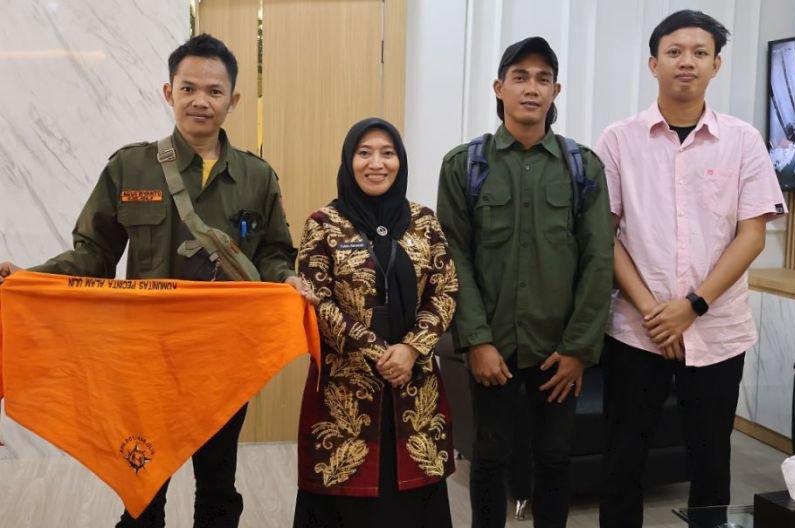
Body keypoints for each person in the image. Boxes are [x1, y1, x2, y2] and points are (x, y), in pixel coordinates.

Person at [0, 33, 315, 527]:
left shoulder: (257, 177)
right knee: (142, 493)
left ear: (233, 100)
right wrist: (30, 280)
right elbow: (94, 255)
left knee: (218, 487)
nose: (200, 101)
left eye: (214, 91)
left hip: (222, 361)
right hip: (145, 363)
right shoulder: (131, 167)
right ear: (169, 93)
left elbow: (274, 253)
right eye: (188, 88)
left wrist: (288, 279)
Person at [594, 10, 788, 528]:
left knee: (712, 461)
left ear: (716, 65)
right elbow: (603, 235)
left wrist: (693, 307)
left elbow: (751, 235)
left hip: (718, 331)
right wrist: (655, 313)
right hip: (637, 331)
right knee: (622, 460)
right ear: (653, 63)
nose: (687, 62)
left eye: (700, 53)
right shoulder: (618, 139)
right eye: (675, 52)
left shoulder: (743, 140)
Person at [436, 37, 614, 528]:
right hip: (492, 347)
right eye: (520, 77)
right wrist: (477, 341)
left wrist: (578, 348)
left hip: (558, 351)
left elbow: (598, 259)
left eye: (542, 79)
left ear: (556, 90)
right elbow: (454, 258)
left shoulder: (583, 167)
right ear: (499, 88)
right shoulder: (464, 165)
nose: (531, 88)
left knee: (554, 458)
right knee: (489, 457)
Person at [292, 117, 458, 528]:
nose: (376, 163)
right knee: (347, 502)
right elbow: (317, 301)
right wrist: (380, 353)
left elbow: (445, 290)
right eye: (364, 153)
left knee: (412, 500)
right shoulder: (323, 224)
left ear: (400, 161)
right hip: (345, 388)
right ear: (349, 161)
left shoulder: (425, 221)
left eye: (387, 153)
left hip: (414, 383)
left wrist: (411, 349)